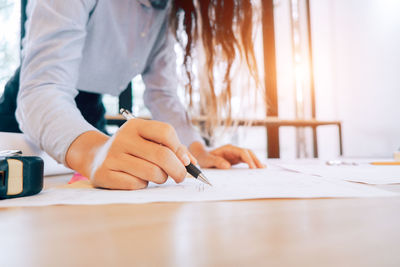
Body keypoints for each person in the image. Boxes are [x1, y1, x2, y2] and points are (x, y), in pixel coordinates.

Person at [0, 0, 265, 190]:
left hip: (91, 114)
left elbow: (163, 94)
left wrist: (197, 151)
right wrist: (94, 153)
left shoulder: (164, 10)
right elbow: (43, 88)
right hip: (26, 113)